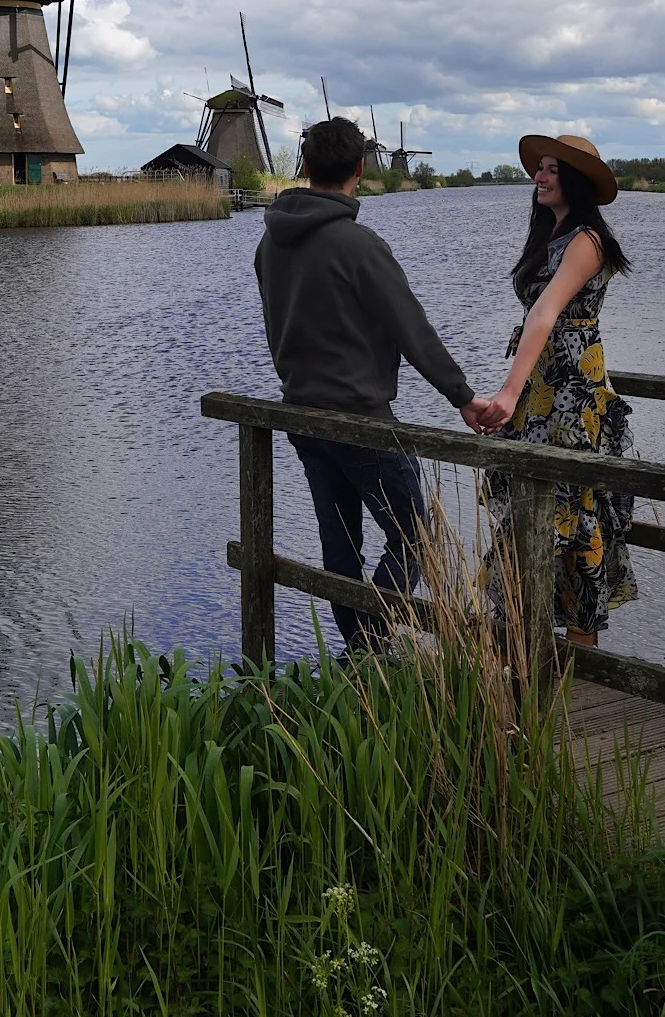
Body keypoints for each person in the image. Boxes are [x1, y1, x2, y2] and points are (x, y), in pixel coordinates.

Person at [254, 115, 487, 654]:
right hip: (361, 417)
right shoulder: (359, 246)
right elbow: (412, 330)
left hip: (302, 416)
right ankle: (367, 649)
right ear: (361, 168)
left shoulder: (270, 246)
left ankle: (362, 658)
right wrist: (463, 397)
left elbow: (277, 328)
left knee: (341, 547)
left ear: (305, 166)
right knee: (417, 536)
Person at [478, 133, 637, 646]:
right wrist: (518, 393)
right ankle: (530, 647)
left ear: (574, 180)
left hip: (570, 392)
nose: (538, 177)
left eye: (549, 170)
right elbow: (536, 315)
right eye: (539, 168)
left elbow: (545, 313)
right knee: (535, 504)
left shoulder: (587, 240)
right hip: (545, 386)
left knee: (573, 510)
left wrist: (506, 391)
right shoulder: (552, 234)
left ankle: (580, 656)